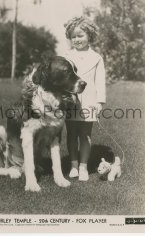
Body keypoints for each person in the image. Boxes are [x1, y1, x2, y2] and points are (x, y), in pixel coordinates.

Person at [63, 16, 106, 181]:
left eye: (80, 35)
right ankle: (73, 165)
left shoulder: (96, 58)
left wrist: (99, 102)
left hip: (89, 100)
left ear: (89, 35)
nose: (76, 39)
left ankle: (83, 167)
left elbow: (100, 82)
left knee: (85, 134)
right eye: (73, 36)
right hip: (70, 101)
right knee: (72, 133)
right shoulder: (67, 56)